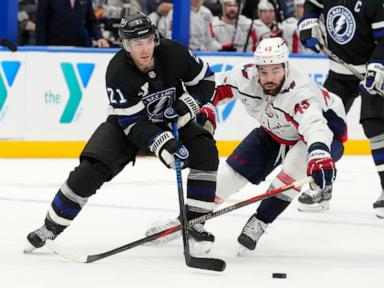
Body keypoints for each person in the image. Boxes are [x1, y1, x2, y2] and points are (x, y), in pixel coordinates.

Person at [24, 12, 219, 254]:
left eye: (148, 40)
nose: (145, 49)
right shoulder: (117, 72)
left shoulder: (175, 53)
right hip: (127, 124)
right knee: (90, 169)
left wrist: (188, 105)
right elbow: (134, 122)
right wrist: (163, 143)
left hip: (172, 118)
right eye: (137, 43)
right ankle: (50, 227)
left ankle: (194, 223)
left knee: (205, 150)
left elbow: (207, 80)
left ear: (155, 38)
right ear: (126, 45)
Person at [146, 37, 347, 254]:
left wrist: (318, 155)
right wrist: (207, 110)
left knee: (291, 173)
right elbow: (211, 88)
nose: (269, 78)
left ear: (286, 67)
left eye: (276, 71)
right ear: (256, 69)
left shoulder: (300, 92)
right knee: (227, 177)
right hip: (275, 131)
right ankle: (186, 221)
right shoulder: (245, 77)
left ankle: (261, 220)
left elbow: (315, 126)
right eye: (264, 72)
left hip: (325, 134)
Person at [298, 0, 384, 217]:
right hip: (339, 71)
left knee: (374, 125)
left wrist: (378, 65)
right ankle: (323, 184)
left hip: (372, 71)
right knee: (323, 125)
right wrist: (309, 20)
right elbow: (312, 4)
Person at [36, 0, 110, 47]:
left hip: (80, 48)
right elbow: (41, 24)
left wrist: (99, 37)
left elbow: (92, 21)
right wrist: (41, 49)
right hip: (54, 48)